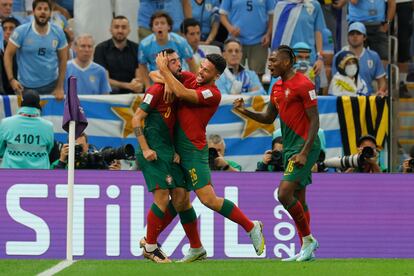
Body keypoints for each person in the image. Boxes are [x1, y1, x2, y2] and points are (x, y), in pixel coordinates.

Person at [155, 51, 265, 257]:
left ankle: (251, 226)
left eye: (206, 71)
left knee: (208, 199)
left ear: (216, 76)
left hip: (194, 152)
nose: (201, 71)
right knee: (179, 200)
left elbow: (182, 94)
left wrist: (166, 76)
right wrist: (166, 79)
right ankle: (196, 247)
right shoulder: (190, 78)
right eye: (201, 66)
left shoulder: (212, 94)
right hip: (178, 151)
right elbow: (157, 77)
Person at [233, 45, 320, 262]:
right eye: (269, 61)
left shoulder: (304, 84)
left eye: (274, 61)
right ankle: (305, 249)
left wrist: (304, 152)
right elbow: (268, 118)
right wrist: (244, 111)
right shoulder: (276, 87)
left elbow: (315, 120)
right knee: (299, 197)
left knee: (283, 194)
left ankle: (309, 240)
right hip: (290, 146)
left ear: (287, 62)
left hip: (304, 147)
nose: (269, 64)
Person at [132, 48, 205, 263]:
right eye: (171, 62)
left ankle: (195, 248)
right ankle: (151, 247)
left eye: (178, 60)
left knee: (182, 198)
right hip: (153, 151)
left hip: (169, 153)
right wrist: (145, 149)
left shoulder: (178, 86)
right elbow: (136, 120)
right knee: (162, 197)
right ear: (163, 65)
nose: (177, 64)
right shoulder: (156, 90)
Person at [4, 0, 68, 100]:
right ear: (33, 12)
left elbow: (63, 60)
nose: (42, 12)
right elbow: (8, 54)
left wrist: (59, 87)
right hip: (26, 88)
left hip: (51, 86)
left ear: (50, 13)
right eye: (39, 9)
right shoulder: (21, 31)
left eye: (46, 9)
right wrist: (11, 80)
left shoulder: (58, 32)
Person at [138, 11, 197, 90]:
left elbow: (191, 61)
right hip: (157, 80)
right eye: (156, 24)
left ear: (169, 27)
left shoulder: (180, 41)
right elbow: (142, 65)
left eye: (162, 23)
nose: (159, 26)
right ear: (152, 28)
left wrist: (194, 84)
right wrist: (147, 86)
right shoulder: (144, 44)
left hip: (179, 79)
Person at [219, 0, 275, 77]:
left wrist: (268, 34)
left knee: (257, 76)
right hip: (235, 41)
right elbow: (222, 14)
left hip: (259, 41)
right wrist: (230, 29)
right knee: (232, 74)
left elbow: (272, 14)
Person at [0, 90, 54, 169]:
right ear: (38, 105)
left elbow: (1, 150)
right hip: (40, 174)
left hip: (10, 173)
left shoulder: (6, 122)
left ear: (21, 103)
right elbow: (48, 149)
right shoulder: (48, 126)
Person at [332, 22, 387, 96]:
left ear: (364, 37)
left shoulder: (373, 56)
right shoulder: (339, 56)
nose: (355, 36)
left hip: (367, 100)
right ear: (348, 37)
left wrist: (380, 91)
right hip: (344, 99)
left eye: (358, 33)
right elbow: (334, 81)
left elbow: (382, 81)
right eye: (352, 34)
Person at [94, 15, 143, 94]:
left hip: (132, 92)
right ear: (110, 30)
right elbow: (104, 79)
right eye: (116, 27)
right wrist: (127, 85)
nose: (120, 30)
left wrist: (136, 85)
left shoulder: (137, 48)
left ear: (129, 30)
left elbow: (139, 75)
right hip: (110, 92)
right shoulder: (101, 48)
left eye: (124, 27)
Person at [50, 132, 121, 170]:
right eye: (75, 146)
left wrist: (114, 174)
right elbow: (53, 181)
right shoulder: (59, 163)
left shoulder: (95, 161)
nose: (78, 149)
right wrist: (62, 160)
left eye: (81, 146)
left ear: (87, 146)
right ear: (68, 146)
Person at [0, 16, 19, 94]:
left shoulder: (24, 51)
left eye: (11, 29)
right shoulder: (1, 52)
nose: (8, 32)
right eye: (4, 29)